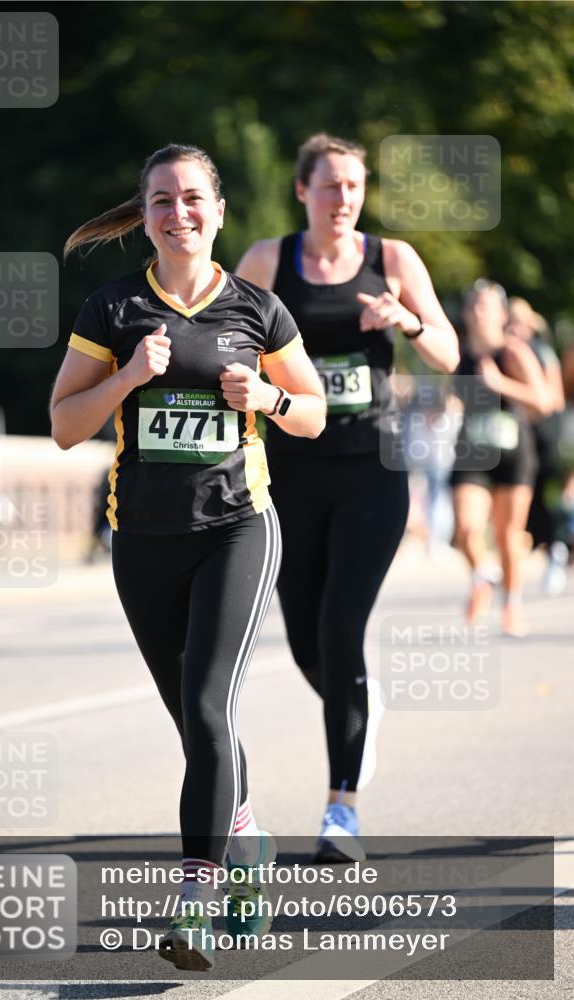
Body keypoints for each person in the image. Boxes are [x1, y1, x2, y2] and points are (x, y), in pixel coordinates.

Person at [51, 143, 325, 971]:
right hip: (142, 538)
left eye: (193, 198)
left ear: (219, 209)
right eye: (162, 201)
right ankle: (246, 842)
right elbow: (65, 425)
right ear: (144, 216)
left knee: (207, 710)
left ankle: (196, 899)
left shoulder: (258, 309)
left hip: (240, 526)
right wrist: (128, 377)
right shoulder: (112, 308)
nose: (179, 214)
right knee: (192, 721)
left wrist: (270, 398)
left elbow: (311, 412)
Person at [236, 133, 459, 863]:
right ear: (301, 191)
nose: (343, 200)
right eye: (329, 187)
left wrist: (406, 321)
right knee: (304, 637)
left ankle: (341, 809)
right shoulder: (269, 261)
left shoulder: (390, 259)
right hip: (291, 473)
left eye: (354, 188)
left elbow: (448, 352)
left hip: (372, 469)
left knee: (338, 627)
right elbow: (225, 339)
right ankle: (357, 700)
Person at [450, 281, 553, 636]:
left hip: (513, 451)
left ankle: (512, 605)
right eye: (474, 305)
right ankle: (483, 576)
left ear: (501, 314)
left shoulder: (513, 353)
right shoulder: (460, 352)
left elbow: (544, 402)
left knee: (508, 536)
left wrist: (500, 384)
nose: (479, 312)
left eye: (487, 306)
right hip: (472, 450)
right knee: (465, 529)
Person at [505, 297, 568, 594]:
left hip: (544, 434)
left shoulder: (542, 353)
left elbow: (553, 398)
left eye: (518, 323)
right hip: (516, 435)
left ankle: (555, 548)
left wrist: (528, 401)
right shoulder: (504, 354)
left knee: (545, 493)